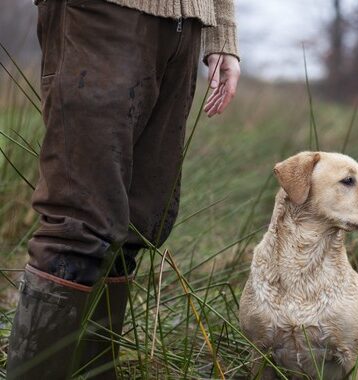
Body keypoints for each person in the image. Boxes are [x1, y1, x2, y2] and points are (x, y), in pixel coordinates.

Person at [6, 0, 241, 378]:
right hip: (102, 14)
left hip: (186, 23)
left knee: (134, 227)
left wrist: (221, 32)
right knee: (79, 225)